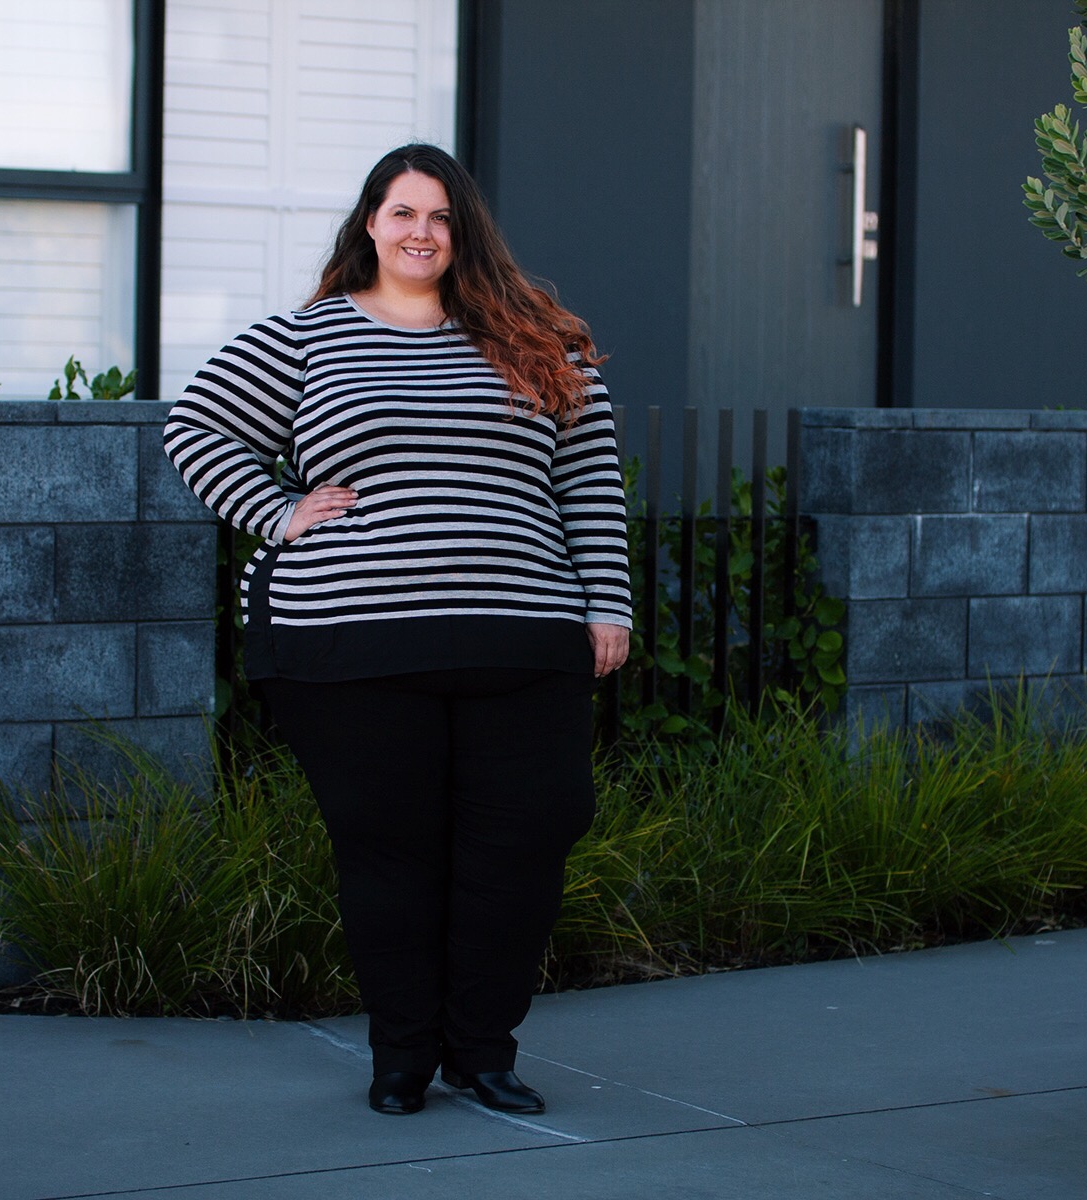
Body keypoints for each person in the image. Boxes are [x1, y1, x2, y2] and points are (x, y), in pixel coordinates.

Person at [163, 143, 631, 1117]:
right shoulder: (308, 338)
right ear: (370, 223)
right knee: (391, 849)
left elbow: (586, 485)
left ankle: (482, 1050)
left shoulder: (544, 341)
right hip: (357, 637)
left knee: (531, 832)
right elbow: (196, 427)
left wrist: (607, 604)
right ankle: (403, 1056)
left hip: (521, 631)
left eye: (442, 217)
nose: (422, 232)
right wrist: (280, 510)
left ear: (467, 233)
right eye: (403, 212)